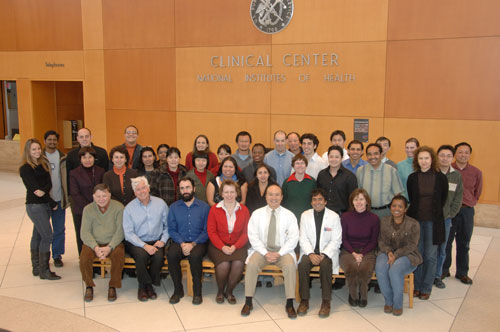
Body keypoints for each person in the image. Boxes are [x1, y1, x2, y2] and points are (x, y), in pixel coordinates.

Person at [241, 184, 299, 318]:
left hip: (283, 251)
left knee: (290, 266)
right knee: (252, 265)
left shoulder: (289, 215)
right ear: (266, 197)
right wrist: (265, 252)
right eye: (271, 194)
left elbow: (293, 238)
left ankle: (289, 303)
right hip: (262, 250)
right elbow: (253, 236)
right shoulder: (257, 214)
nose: (274, 197)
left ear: (282, 197)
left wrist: (279, 253)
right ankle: (248, 301)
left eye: (277, 194)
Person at [407, 146, 448, 300]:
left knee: (430, 255)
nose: (424, 161)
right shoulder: (412, 178)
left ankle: (426, 287)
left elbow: (442, 199)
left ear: (432, 159)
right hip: (416, 222)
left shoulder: (440, 178)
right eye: (420, 158)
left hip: (433, 222)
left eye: (426, 158)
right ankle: (416, 286)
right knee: (417, 253)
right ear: (417, 160)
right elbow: (412, 199)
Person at [297, 189, 342, 318]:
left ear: (325, 201)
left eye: (320, 199)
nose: (317, 202)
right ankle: (304, 300)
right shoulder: (305, 215)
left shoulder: (333, 216)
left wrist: (324, 254)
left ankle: (326, 302)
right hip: (309, 252)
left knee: (325, 266)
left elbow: (336, 240)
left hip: (327, 253)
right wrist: (311, 254)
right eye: (314, 200)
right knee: (303, 266)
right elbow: (303, 238)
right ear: (311, 202)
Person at [20, 138, 60, 280]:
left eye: (38, 149)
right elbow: (35, 189)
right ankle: (44, 270)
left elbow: (48, 186)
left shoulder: (43, 164)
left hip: (44, 204)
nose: (37, 151)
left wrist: (48, 199)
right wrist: (45, 193)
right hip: (35, 206)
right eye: (33, 149)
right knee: (47, 235)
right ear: (28, 152)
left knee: (37, 235)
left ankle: (36, 268)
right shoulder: (25, 168)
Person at [123, 176, 169, 301]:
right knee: (141, 256)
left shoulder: (161, 204)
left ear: (148, 188)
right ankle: (144, 286)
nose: (141, 191)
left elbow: (168, 225)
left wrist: (163, 240)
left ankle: (148, 284)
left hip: (157, 240)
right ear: (134, 192)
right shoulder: (129, 208)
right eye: (138, 189)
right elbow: (128, 233)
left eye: (143, 188)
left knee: (158, 257)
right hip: (137, 242)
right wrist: (144, 246)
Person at [375, 195, 422, 316]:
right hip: (387, 252)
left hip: (408, 255)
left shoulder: (413, 224)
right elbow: (381, 241)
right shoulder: (384, 221)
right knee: (380, 267)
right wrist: (389, 253)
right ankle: (388, 301)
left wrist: (395, 255)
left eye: (400, 206)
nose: (397, 208)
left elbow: (412, 245)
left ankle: (397, 304)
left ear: (405, 209)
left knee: (394, 270)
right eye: (394, 206)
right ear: (390, 207)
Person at [443, 142, 482, 285]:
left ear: (470, 154)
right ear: (455, 154)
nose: (463, 155)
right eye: (460, 152)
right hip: (449, 211)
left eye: (466, 152)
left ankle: (462, 273)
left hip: (466, 211)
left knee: (464, 243)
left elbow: (477, 192)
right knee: (446, 242)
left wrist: (469, 203)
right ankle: (444, 269)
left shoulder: (476, 172)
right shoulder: (448, 169)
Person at [167, 178, 210, 305]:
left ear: (194, 189)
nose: (185, 191)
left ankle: (197, 292)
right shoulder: (174, 207)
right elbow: (172, 229)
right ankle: (178, 290)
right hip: (180, 241)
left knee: (195, 256)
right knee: (171, 255)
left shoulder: (204, 207)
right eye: (182, 188)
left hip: (199, 242)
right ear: (179, 190)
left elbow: (206, 230)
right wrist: (182, 243)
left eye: (188, 187)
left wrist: (193, 244)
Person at [79, 184, 125, 302]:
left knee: (118, 256)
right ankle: (89, 286)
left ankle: (113, 286)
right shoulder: (88, 209)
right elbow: (85, 232)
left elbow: (121, 231)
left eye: (104, 196)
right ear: (93, 196)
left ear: (109, 195)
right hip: (94, 243)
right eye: (98, 196)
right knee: (84, 258)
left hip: (113, 242)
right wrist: (95, 248)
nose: (101, 199)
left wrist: (110, 247)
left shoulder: (119, 207)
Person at [207, 180, 250, 304]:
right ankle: (220, 291)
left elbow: (246, 233)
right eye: (226, 192)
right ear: (221, 194)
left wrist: (235, 246)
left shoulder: (244, 210)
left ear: (237, 193)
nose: (229, 195)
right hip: (217, 245)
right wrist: (222, 247)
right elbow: (211, 232)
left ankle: (229, 291)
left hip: (238, 244)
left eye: (232, 192)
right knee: (224, 264)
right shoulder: (215, 209)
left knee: (238, 263)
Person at [340, 188, 380, 307]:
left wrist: (362, 254)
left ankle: (363, 294)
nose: (358, 202)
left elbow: (374, 241)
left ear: (367, 201)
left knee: (364, 269)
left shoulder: (374, 218)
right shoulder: (345, 217)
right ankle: (353, 295)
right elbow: (343, 239)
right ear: (352, 202)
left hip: (367, 251)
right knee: (352, 268)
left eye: (361, 199)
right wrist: (354, 254)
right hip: (348, 250)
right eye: (356, 199)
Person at [434, 145, 463, 289]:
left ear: (452, 158)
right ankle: (425, 274)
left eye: (448, 156)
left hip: (445, 219)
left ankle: (437, 275)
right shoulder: (432, 172)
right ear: (437, 156)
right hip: (429, 218)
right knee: (427, 248)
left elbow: (458, 197)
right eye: (442, 155)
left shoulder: (456, 176)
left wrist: (451, 214)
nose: (445, 158)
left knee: (442, 248)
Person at [69, 147, 106, 254]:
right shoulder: (74, 173)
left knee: (98, 235)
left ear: (94, 158)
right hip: (81, 210)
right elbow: (75, 193)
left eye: (90, 157)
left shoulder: (100, 171)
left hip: (99, 209)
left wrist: (98, 205)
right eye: (84, 157)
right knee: (83, 235)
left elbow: (103, 190)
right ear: (80, 159)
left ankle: (98, 262)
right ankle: (83, 259)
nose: (87, 160)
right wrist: (90, 207)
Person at [43, 130, 69, 267]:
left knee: (59, 229)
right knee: (43, 230)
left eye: (54, 140)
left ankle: (57, 255)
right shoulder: (39, 157)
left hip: (59, 199)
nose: (52, 142)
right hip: (44, 201)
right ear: (45, 141)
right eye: (49, 140)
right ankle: (43, 256)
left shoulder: (63, 157)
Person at [356, 143, 404, 218]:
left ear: (381, 155)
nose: (372, 157)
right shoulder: (360, 171)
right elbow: (358, 193)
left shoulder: (391, 171)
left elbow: (397, 194)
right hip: (366, 211)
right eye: (369, 154)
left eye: (376, 154)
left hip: (386, 212)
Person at [317, 146, 358, 215]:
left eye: (337, 157)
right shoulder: (322, 174)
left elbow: (353, 198)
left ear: (341, 158)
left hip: (343, 215)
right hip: (324, 214)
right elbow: (318, 194)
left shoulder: (349, 176)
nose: (333, 159)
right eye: (331, 157)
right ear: (328, 157)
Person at [282, 154, 317, 223]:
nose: (300, 166)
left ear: (306, 165)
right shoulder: (287, 182)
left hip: (308, 218)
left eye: (302, 163)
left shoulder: (312, 181)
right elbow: (283, 202)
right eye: (297, 163)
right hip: (290, 218)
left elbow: (315, 200)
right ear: (293, 166)